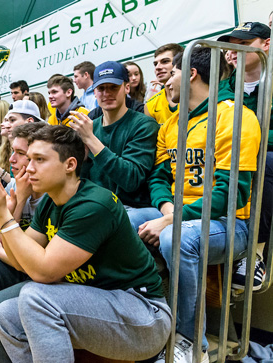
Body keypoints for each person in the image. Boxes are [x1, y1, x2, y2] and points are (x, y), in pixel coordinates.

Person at [0, 125, 170, 363]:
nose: (28, 168)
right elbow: (21, 261)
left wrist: (5, 219)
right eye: (29, 159)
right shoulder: (51, 201)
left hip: (143, 318)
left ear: (70, 165)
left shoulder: (93, 205)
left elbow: (43, 272)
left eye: (39, 160)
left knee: (35, 295)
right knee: (5, 314)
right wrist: (2, 216)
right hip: (96, 307)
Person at [127, 46, 260, 363]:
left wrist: (173, 221)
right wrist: (167, 211)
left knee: (177, 237)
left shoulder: (234, 116)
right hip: (179, 216)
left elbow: (231, 195)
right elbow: (158, 177)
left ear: (190, 74)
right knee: (121, 218)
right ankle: (146, 321)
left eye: (171, 73)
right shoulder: (172, 125)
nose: (164, 83)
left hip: (229, 225)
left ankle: (190, 342)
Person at [218, 21, 271, 291]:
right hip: (230, 153)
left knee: (265, 162)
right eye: (231, 45)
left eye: (243, 45)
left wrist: (254, 138)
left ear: (266, 45)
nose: (233, 50)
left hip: (263, 157)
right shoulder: (222, 87)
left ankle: (254, 253)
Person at [69, 61, 158, 208]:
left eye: (113, 87)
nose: (107, 93)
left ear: (127, 88)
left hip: (133, 207)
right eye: (101, 88)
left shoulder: (144, 125)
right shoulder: (90, 126)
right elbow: (81, 181)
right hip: (97, 204)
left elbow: (131, 180)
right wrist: (83, 160)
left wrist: (91, 139)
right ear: (95, 91)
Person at [144, 43, 184, 124]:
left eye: (165, 61)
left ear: (180, 63)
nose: (157, 67)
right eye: (155, 64)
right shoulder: (150, 105)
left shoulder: (194, 97)